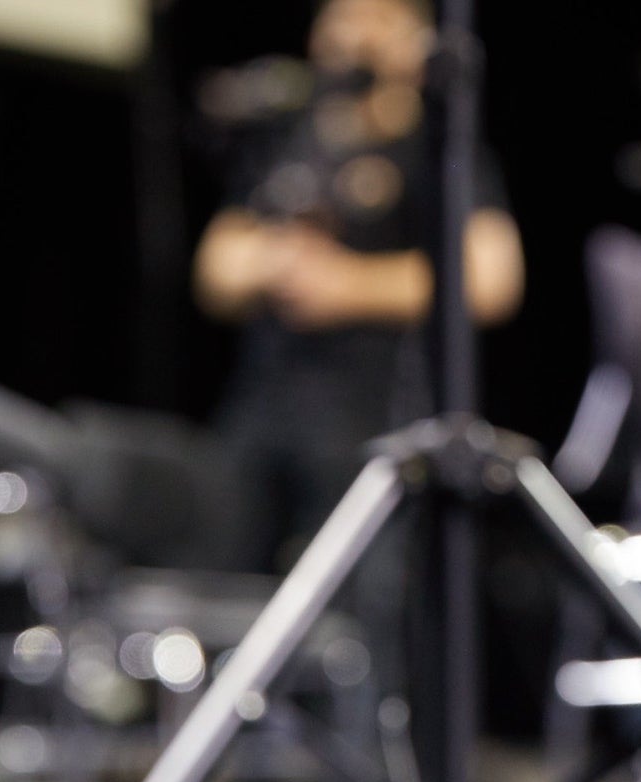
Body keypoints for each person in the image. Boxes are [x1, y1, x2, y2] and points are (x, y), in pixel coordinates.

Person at [192, 0, 524, 570]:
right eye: (338, 17)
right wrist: (277, 262)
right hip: (259, 415)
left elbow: (492, 278)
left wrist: (347, 285)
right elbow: (215, 269)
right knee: (227, 582)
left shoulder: (435, 146)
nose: (348, 36)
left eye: (372, 18)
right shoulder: (289, 137)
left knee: (356, 597)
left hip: (374, 422)